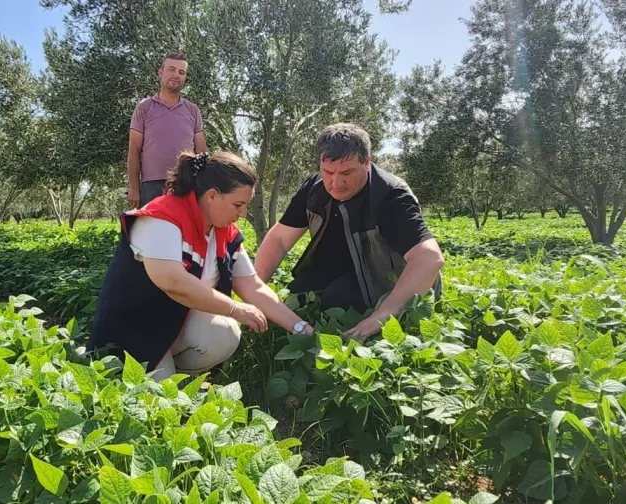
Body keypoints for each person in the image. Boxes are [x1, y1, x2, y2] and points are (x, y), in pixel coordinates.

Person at [90, 150, 314, 381]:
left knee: (223, 334)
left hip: (174, 326)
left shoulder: (224, 233)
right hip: (137, 329)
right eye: (238, 204)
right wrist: (234, 309)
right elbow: (172, 281)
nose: (243, 213)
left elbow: (252, 286)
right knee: (159, 405)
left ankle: (180, 378)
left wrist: (301, 328)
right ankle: (135, 374)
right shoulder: (160, 218)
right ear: (212, 196)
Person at [254, 123, 445, 342]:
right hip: (337, 268)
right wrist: (255, 289)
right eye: (328, 172)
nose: (336, 183)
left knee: (338, 298)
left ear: (367, 162)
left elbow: (429, 258)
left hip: (385, 281)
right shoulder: (314, 189)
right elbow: (278, 239)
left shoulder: (390, 196)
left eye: (347, 172)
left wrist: (382, 315)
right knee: (297, 296)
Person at [127, 52, 208, 208]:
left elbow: (202, 152)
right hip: (151, 186)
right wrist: (134, 188)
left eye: (181, 72)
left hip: (185, 184)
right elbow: (133, 151)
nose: (176, 75)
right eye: (171, 69)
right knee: (151, 232)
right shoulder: (144, 107)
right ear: (160, 72)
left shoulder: (193, 110)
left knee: (183, 232)